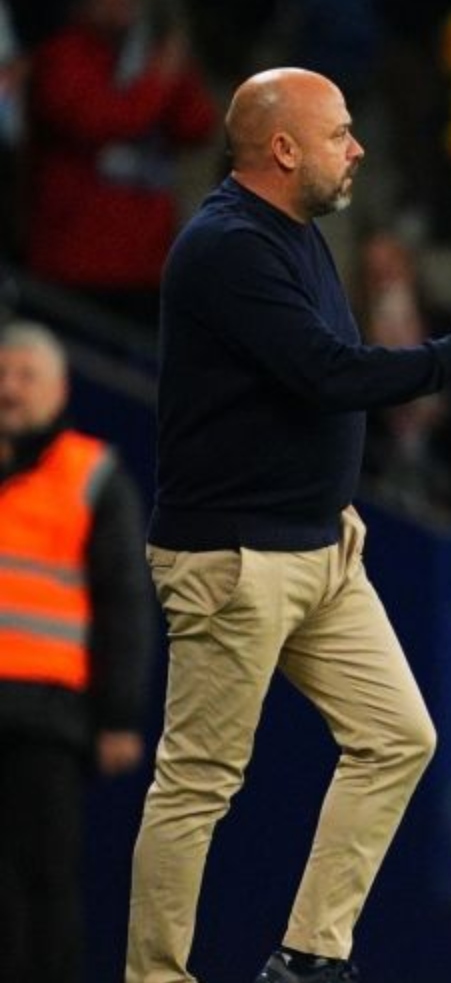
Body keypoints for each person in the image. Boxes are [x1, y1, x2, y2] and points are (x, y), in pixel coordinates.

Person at [124, 67, 451, 983]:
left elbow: (304, 388)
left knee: (399, 735)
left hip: (318, 549)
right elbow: (329, 374)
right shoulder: (225, 246)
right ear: (284, 148)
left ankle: (310, 955)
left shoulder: (293, 235)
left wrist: (329, 498)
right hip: (233, 557)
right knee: (199, 784)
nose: (359, 148)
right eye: (341, 133)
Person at [0, 321, 155, 983]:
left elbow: (125, 600)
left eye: (25, 375)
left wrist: (118, 715)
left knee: (44, 883)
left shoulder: (91, 477)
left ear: (60, 389)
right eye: (2, 374)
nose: (9, 388)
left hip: (49, 719)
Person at [24, 0, 218, 320]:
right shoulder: (61, 57)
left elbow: (198, 126)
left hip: (145, 264)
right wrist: (158, 81)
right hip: (75, 261)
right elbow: (100, 121)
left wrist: (175, 69)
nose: (125, 1)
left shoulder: (146, 57)